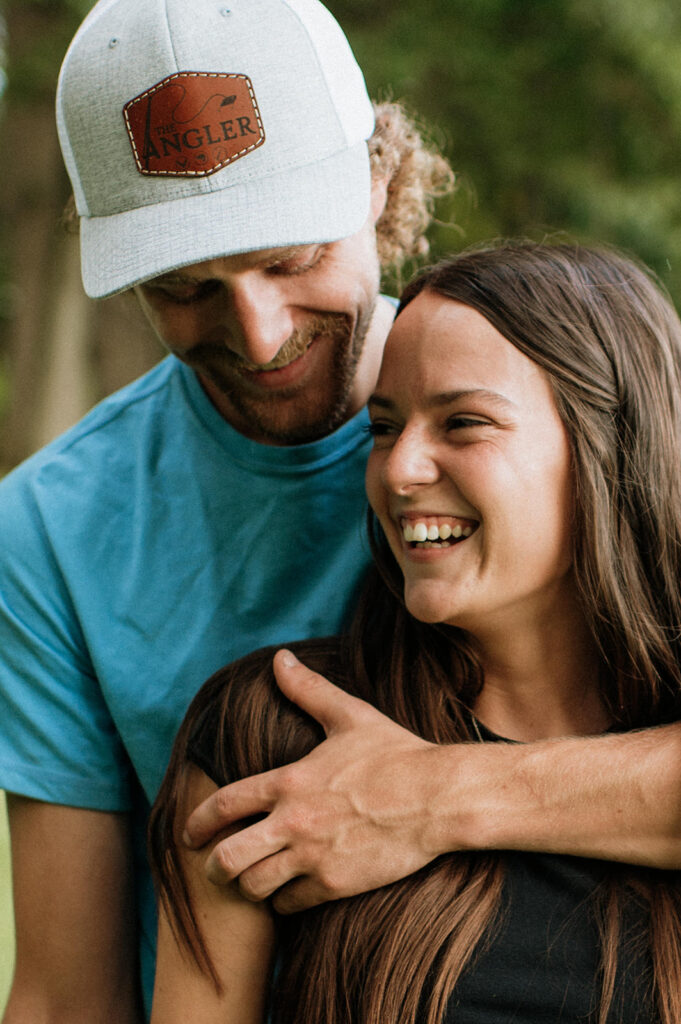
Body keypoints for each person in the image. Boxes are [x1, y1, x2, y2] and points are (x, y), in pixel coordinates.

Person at [0, 0, 678, 1019]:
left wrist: (428, 797)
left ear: (377, 180)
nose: (259, 331)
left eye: (287, 257)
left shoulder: (561, 416)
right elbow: (65, 994)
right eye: (185, 285)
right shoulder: (51, 529)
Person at [149, 242, 681, 1024]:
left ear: (611, 446)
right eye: (384, 428)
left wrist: (426, 794)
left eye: (464, 423)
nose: (399, 472)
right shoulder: (273, 743)